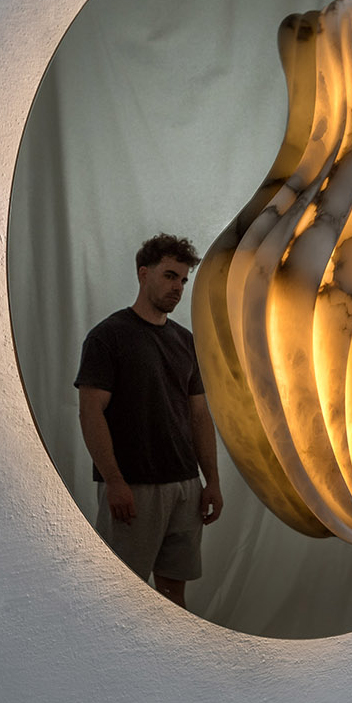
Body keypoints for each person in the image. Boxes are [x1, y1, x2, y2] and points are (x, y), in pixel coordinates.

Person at [74, 233, 223, 608]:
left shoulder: (185, 341)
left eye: (183, 280)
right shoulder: (108, 337)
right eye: (170, 276)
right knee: (121, 598)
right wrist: (114, 481)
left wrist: (212, 481)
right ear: (144, 274)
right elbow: (90, 412)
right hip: (134, 488)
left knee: (173, 597)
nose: (178, 287)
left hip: (185, 486)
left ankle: (173, 651)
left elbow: (199, 415)